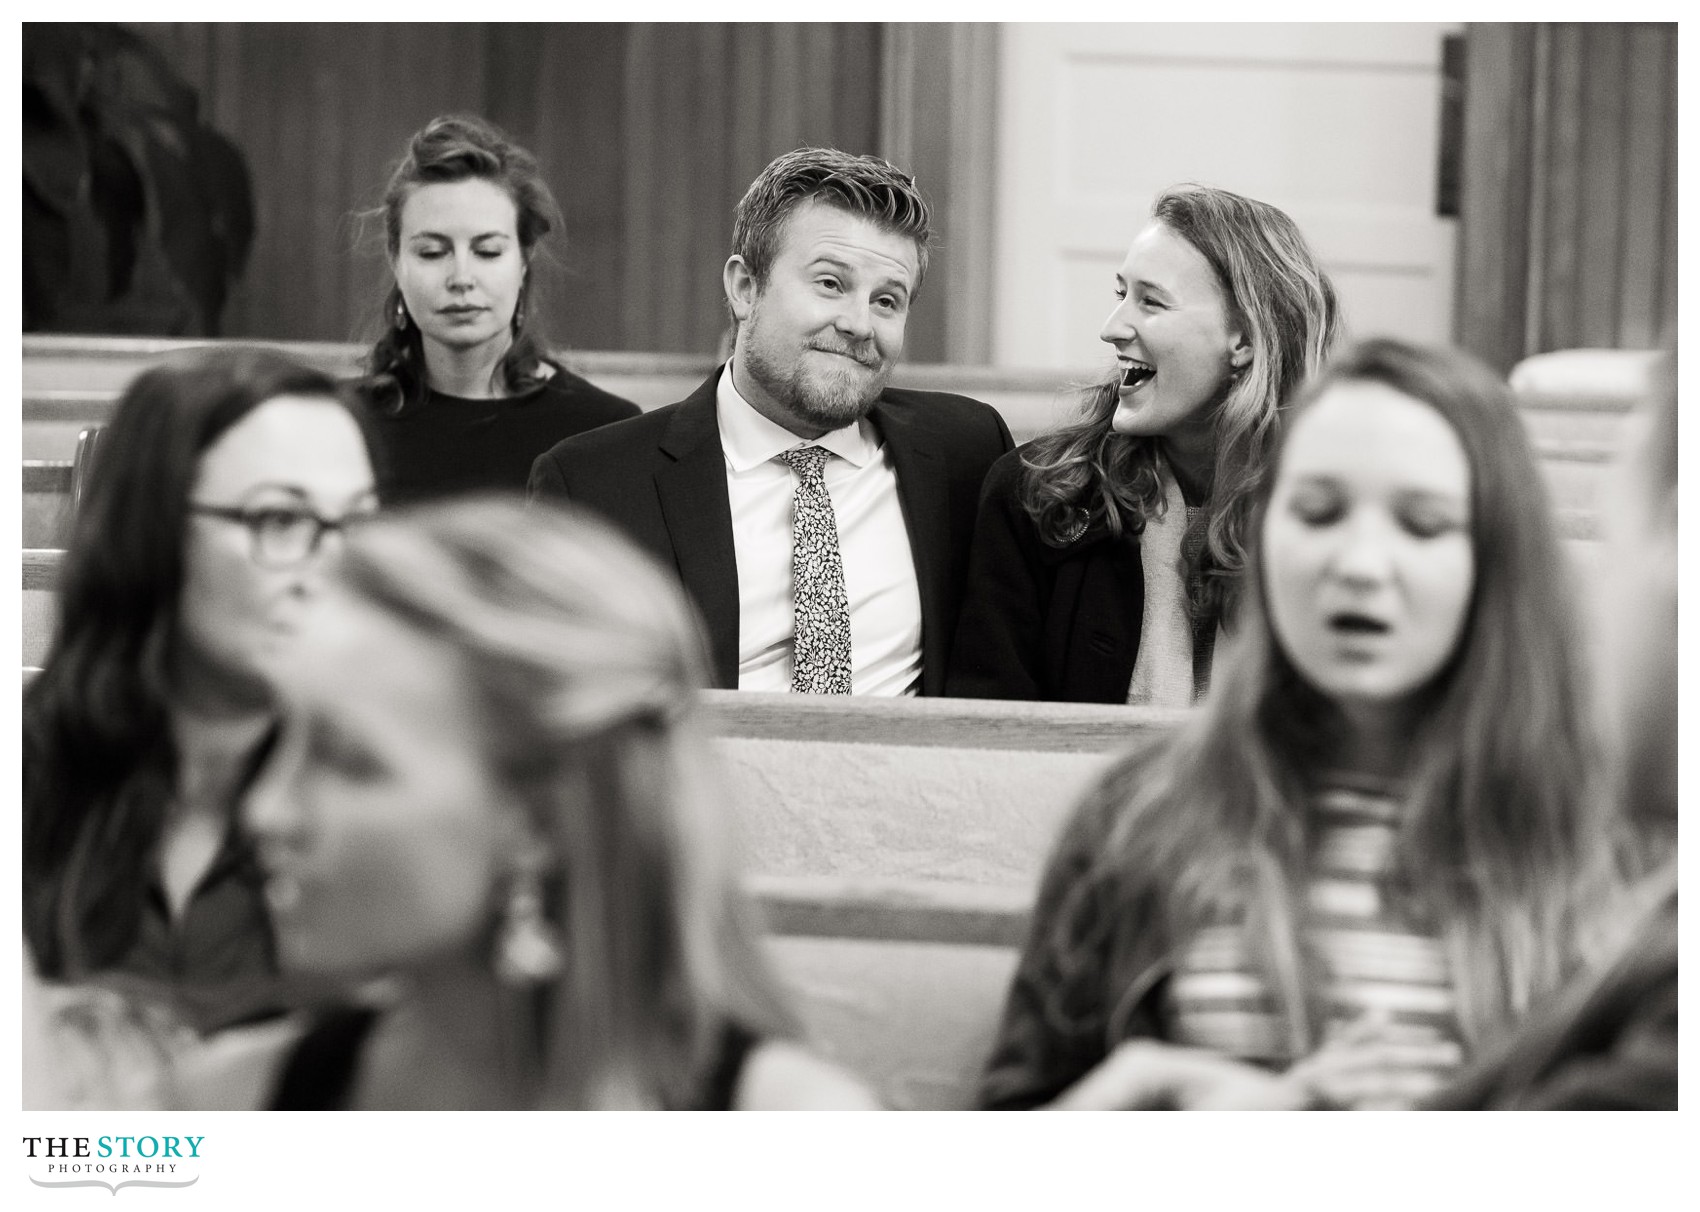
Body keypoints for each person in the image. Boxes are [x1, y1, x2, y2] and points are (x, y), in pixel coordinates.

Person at [978, 338, 1614, 1110]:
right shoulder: (1140, 816)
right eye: (1317, 512)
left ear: (1495, 565)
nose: (1359, 565)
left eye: (1421, 525)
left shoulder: (1608, 839)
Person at [198, 499, 878, 1109]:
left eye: (349, 764)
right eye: (281, 741)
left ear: (537, 819)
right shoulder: (223, 1097)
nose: (265, 810)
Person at [529, 146, 1014, 695]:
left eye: (887, 301)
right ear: (744, 288)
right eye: (830, 283)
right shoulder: (594, 484)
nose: (859, 324)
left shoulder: (966, 451)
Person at [23, 348, 380, 1034]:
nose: (328, 569)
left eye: (356, 525)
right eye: (279, 520)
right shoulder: (33, 776)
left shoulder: (397, 806)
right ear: (150, 534)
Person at [948, 185, 1341, 703]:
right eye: (1121, 295)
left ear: (1244, 341)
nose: (1112, 329)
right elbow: (987, 734)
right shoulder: (1037, 495)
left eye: (1151, 302)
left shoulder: (1337, 517)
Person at [361, 114, 639, 504]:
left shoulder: (603, 431)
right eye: (432, 252)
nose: (461, 277)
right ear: (395, 259)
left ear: (524, 259)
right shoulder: (341, 424)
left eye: (487, 251)